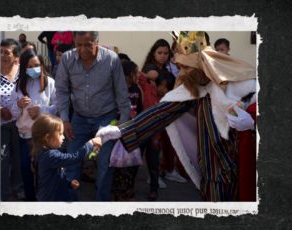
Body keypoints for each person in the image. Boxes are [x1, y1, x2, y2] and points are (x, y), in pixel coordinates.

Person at [97, 31, 256, 202]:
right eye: (180, 68)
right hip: (212, 171)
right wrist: (122, 131)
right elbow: (161, 113)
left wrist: (252, 121)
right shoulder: (193, 86)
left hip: (243, 164)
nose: (182, 74)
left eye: (186, 67)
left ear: (203, 64)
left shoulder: (242, 82)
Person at [55, 31, 130, 201]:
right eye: (78, 45)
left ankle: (101, 205)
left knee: (105, 163)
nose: (82, 50)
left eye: (88, 45)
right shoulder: (67, 59)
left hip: (106, 118)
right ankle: (70, 204)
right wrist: (65, 119)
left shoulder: (111, 59)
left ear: (97, 42)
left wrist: (121, 126)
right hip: (78, 118)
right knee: (72, 161)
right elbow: (62, 91)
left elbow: (121, 93)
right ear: (74, 42)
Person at [10, 49, 58, 201]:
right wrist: (18, 105)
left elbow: (58, 107)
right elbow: (13, 114)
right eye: (29, 66)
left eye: (36, 65)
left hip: (45, 136)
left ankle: (45, 199)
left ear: (42, 65)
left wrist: (41, 111)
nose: (33, 69)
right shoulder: (18, 85)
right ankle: (30, 200)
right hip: (26, 136)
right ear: (23, 68)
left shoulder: (50, 83)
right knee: (26, 169)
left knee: (44, 170)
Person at [30, 114, 102, 201]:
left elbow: (53, 177)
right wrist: (90, 144)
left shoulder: (42, 152)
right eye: (60, 134)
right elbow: (74, 158)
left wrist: (68, 184)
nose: (63, 137)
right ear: (47, 137)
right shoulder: (50, 156)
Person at [140, 38, 174, 200]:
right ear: (153, 53)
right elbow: (152, 74)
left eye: (166, 53)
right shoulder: (150, 68)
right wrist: (148, 76)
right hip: (144, 119)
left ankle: (154, 188)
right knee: (135, 158)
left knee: (154, 159)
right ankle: (125, 189)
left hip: (158, 121)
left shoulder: (169, 72)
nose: (162, 56)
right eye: (159, 52)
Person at [112, 59, 143, 201]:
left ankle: (129, 189)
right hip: (117, 131)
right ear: (127, 75)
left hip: (133, 131)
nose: (138, 75)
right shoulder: (115, 90)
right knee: (117, 163)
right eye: (136, 73)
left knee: (131, 162)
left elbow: (141, 109)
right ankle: (117, 192)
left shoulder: (137, 90)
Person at [0, 38, 23, 201]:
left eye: (6, 52)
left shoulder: (23, 72)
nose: (2, 55)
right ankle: (3, 192)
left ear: (16, 56)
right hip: (0, 124)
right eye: (0, 52)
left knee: (18, 157)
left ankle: (19, 187)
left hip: (20, 123)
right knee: (2, 157)